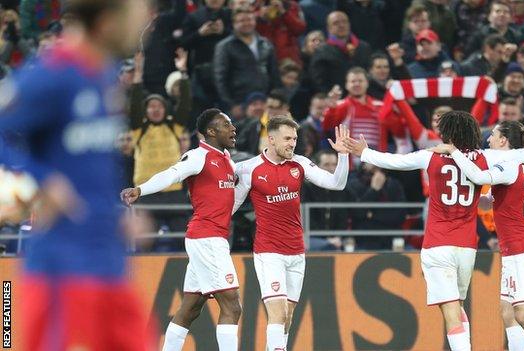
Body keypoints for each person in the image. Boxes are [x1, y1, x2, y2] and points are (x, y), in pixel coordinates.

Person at [0, 0, 156, 350]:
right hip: (62, 265)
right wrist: (41, 179)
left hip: (108, 259)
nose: (145, 18)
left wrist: (115, 217)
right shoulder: (52, 74)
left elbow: (87, 163)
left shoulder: (102, 75)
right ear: (105, 22)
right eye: (135, 11)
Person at [344, 111, 524, 351]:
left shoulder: (430, 156)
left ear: (446, 133)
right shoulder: (484, 157)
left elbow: (395, 162)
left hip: (438, 245)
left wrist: (365, 152)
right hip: (466, 247)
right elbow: (521, 154)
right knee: (458, 305)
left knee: (451, 310)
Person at [120, 109, 242, 351]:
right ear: (211, 131)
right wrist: (140, 190)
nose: (233, 128)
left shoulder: (226, 157)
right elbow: (173, 174)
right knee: (232, 306)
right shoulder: (198, 156)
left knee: (190, 308)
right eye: (226, 124)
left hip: (208, 238)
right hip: (207, 238)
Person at [429, 120, 524, 351]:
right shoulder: (516, 163)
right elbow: (490, 201)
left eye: (493, 135)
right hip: (515, 249)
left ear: (504, 140)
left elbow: (478, 176)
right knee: (508, 312)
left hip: (521, 249)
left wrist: (454, 152)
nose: (488, 139)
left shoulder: (508, 166)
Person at [233, 118, 349, 351]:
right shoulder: (248, 169)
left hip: (297, 252)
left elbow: (337, 184)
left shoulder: (301, 164)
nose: (292, 144)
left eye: (295, 139)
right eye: (287, 138)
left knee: (287, 316)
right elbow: (230, 206)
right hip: (269, 252)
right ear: (271, 139)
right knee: (278, 311)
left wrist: (344, 155)